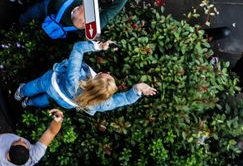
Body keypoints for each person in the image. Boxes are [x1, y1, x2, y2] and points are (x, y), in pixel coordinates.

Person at [14, 39, 156, 113]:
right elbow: (123, 99)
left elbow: (78, 49)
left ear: (98, 76)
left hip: (52, 83)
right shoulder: (102, 103)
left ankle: (20, 93)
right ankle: (28, 103)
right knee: (46, 99)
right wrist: (137, 90)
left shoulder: (75, 79)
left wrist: (98, 47)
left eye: (106, 75)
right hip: (65, 102)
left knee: (36, 85)